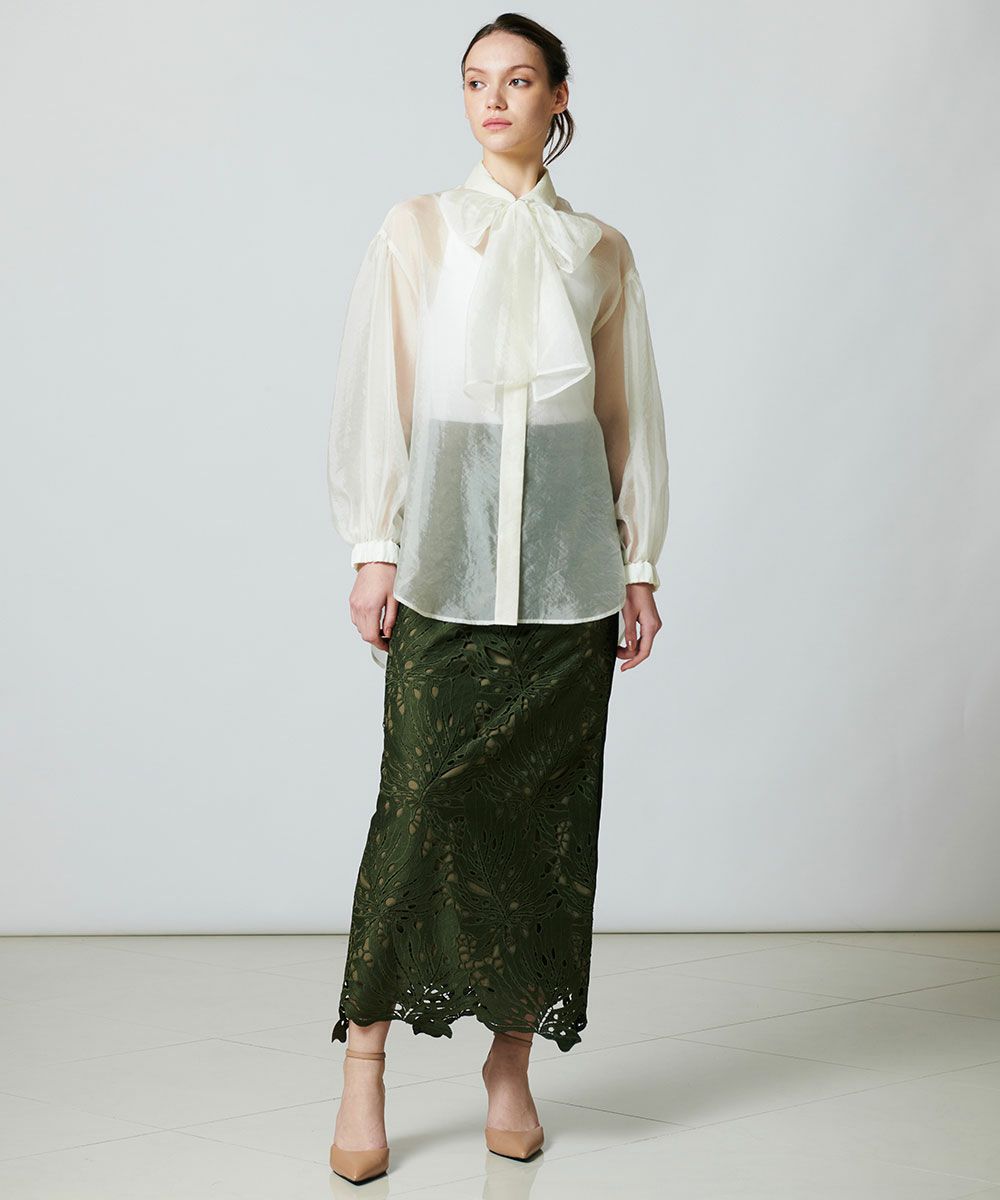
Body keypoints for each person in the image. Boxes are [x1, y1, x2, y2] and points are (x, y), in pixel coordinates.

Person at [325, 12, 669, 1184]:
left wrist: (638, 563)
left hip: (570, 578)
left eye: (518, 80)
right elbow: (379, 386)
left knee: (546, 829)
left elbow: (627, 415)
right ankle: (364, 1063)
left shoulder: (600, 249)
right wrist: (375, 545)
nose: (494, 99)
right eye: (476, 80)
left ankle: (510, 1066)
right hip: (445, 564)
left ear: (557, 96)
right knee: (417, 805)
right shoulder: (419, 228)